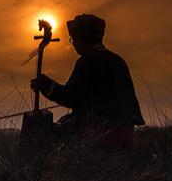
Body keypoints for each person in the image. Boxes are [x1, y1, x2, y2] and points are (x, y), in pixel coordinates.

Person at [31, 14, 145, 146]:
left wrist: (46, 85)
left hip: (100, 131)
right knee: (67, 120)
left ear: (82, 39)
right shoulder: (118, 61)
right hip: (126, 131)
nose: (73, 43)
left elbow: (71, 98)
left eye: (73, 39)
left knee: (48, 134)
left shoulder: (87, 61)